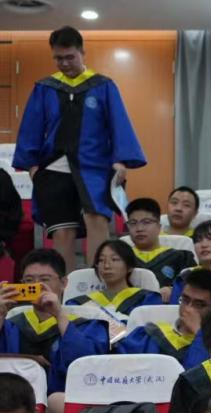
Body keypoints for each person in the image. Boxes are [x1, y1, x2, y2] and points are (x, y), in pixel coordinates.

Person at [13, 26, 145, 272]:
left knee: (96, 220)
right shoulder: (45, 87)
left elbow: (118, 124)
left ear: (82, 53)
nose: (64, 63)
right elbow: (31, 127)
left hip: (95, 166)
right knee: (62, 231)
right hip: (54, 168)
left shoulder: (103, 86)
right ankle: (66, 285)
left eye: (70, 57)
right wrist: (32, 166)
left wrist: (121, 160)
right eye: (58, 58)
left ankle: (99, 280)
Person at [0, 249, 106, 406]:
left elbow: (86, 368)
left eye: (45, 279)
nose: (37, 286)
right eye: (29, 280)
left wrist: (59, 314)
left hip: (62, 402)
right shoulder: (11, 324)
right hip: (10, 402)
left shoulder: (87, 325)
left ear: (64, 283)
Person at [114, 268, 211, 364]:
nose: (188, 308)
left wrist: (199, 333)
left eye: (199, 304)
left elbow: (196, 377)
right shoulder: (151, 335)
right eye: (185, 300)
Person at [64, 239, 160, 321]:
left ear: (129, 266)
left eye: (114, 259)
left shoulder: (146, 299)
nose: (106, 266)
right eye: (101, 260)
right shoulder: (80, 303)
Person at [125, 197, 195, 287]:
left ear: (159, 226)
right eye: (133, 223)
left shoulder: (181, 258)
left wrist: (173, 290)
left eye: (146, 222)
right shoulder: (122, 258)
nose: (139, 229)